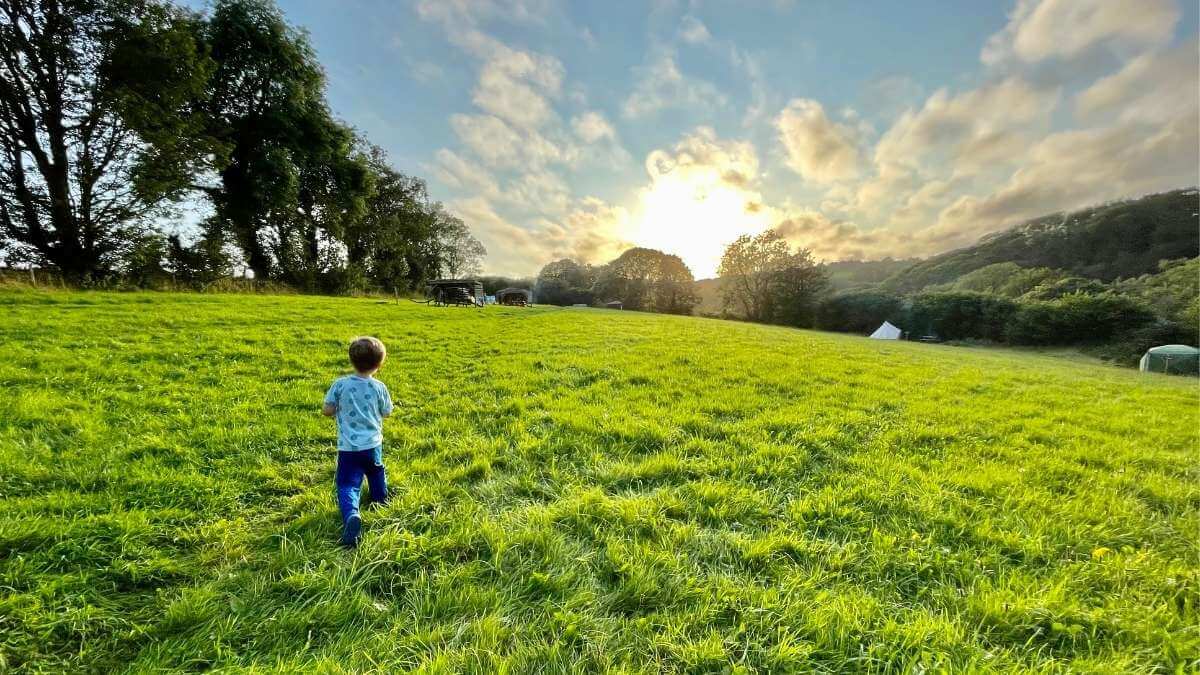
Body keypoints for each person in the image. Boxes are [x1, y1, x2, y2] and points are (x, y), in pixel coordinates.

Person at [322, 336, 394, 547]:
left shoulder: (340, 385)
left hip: (348, 448)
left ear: (351, 361)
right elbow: (387, 412)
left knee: (347, 483)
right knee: (376, 471)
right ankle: (380, 500)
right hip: (373, 445)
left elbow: (327, 410)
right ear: (379, 365)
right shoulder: (379, 387)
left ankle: (352, 515)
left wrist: (335, 409)